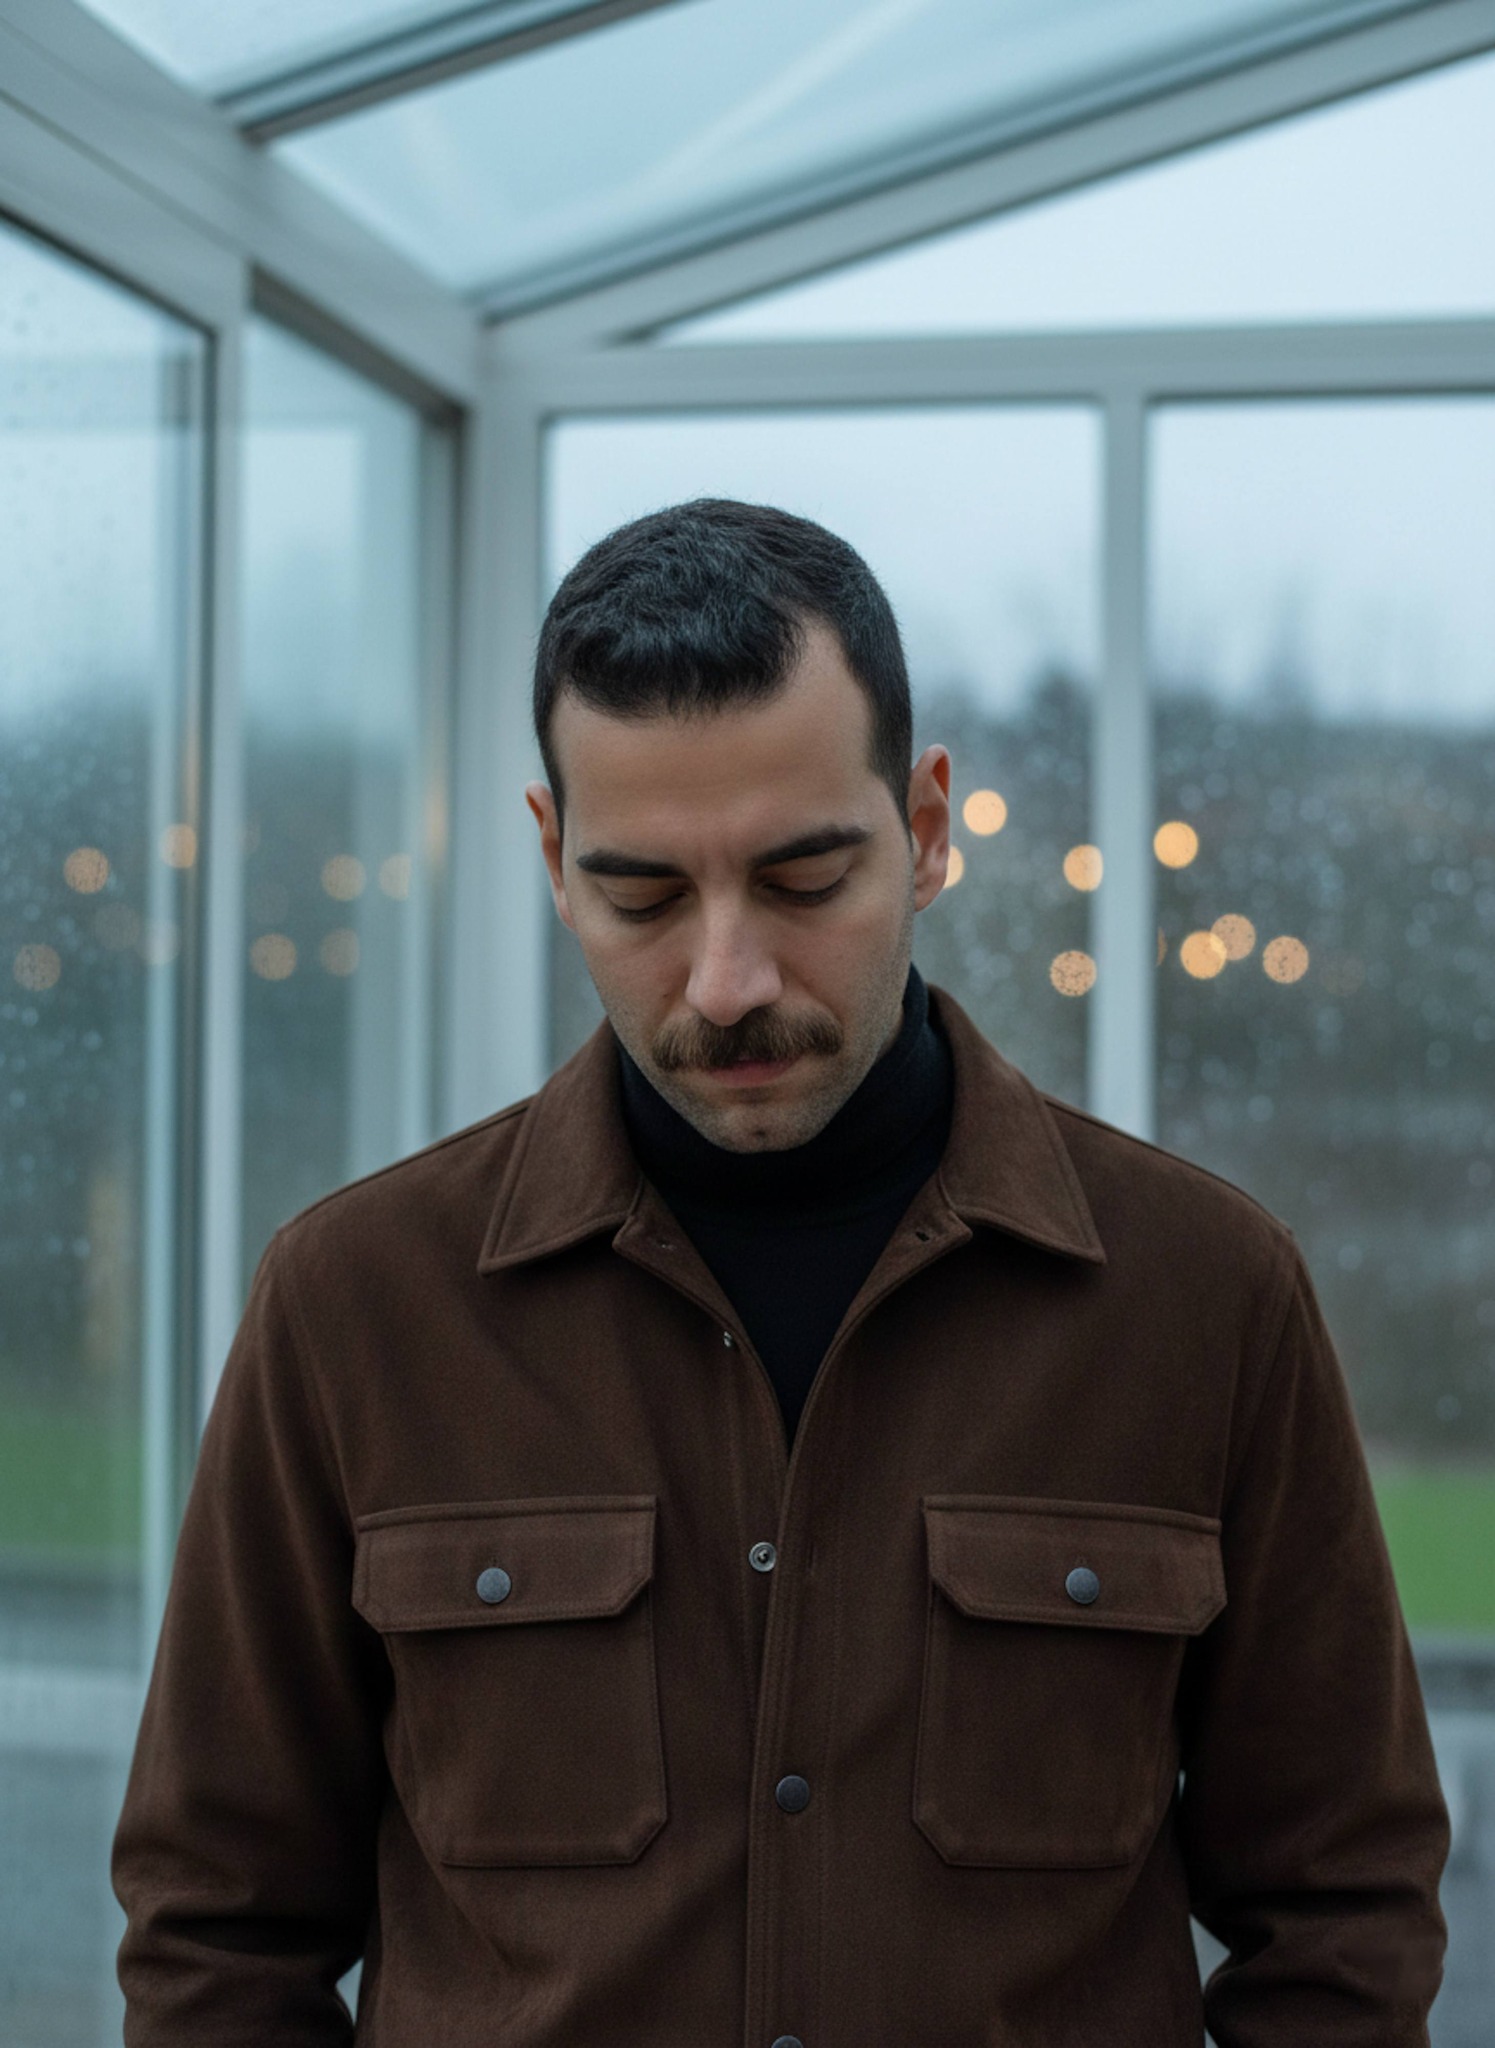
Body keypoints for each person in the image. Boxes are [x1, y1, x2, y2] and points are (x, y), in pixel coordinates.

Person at [113, 497, 1449, 2045]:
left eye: (806, 882)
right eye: (643, 897)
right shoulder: (351, 1306)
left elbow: (1341, 1909)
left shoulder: (1208, 1295)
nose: (727, 980)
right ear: (553, 859)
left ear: (930, 829)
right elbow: (219, 1933)